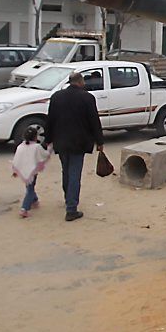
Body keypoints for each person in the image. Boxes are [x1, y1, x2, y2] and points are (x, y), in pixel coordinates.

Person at [44, 72, 103, 222]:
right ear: (81, 82)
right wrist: (99, 141)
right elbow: (94, 121)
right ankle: (71, 209)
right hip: (79, 142)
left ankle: (68, 199)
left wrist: (47, 140)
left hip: (61, 141)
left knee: (66, 171)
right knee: (75, 174)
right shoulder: (87, 98)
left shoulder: (57, 97)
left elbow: (50, 120)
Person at [11, 128, 51, 219]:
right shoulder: (36, 147)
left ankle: (34, 201)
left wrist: (15, 171)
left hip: (24, 170)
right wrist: (49, 148)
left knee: (29, 186)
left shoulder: (20, 146)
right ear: (35, 137)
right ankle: (24, 208)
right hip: (32, 171)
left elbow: (16, 160)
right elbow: (44, 155)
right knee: (30, 188)